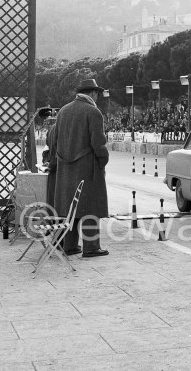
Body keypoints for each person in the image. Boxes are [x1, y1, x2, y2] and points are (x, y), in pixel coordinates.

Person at [52, 78, 110, 258]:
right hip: (87, 168)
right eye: (97, 94)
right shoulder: (93, 112)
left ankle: (68, 246)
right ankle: (91, 247)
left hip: (65, 169)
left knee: (71, 207)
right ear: (93, 93)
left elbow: (55, 141)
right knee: (91, 206)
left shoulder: (63, 111)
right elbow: (98, 144)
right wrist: (103, 160)